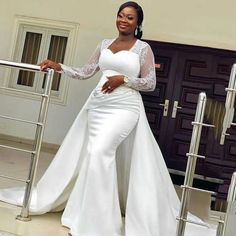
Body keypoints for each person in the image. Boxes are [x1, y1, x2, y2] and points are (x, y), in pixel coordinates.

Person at [0, 1, 217, 236]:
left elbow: (150, 83)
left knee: (99, 152)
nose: (124, 20)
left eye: (130, 17)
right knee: (93, 157)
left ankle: (99, 225)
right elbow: (85, 72)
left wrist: (123, 79)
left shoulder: (143, 49)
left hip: (124, 107)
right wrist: (58, 66)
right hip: (97, 106)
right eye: (121, 15)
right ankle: (86, 216)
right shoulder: (104, 44)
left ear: (138, 23)